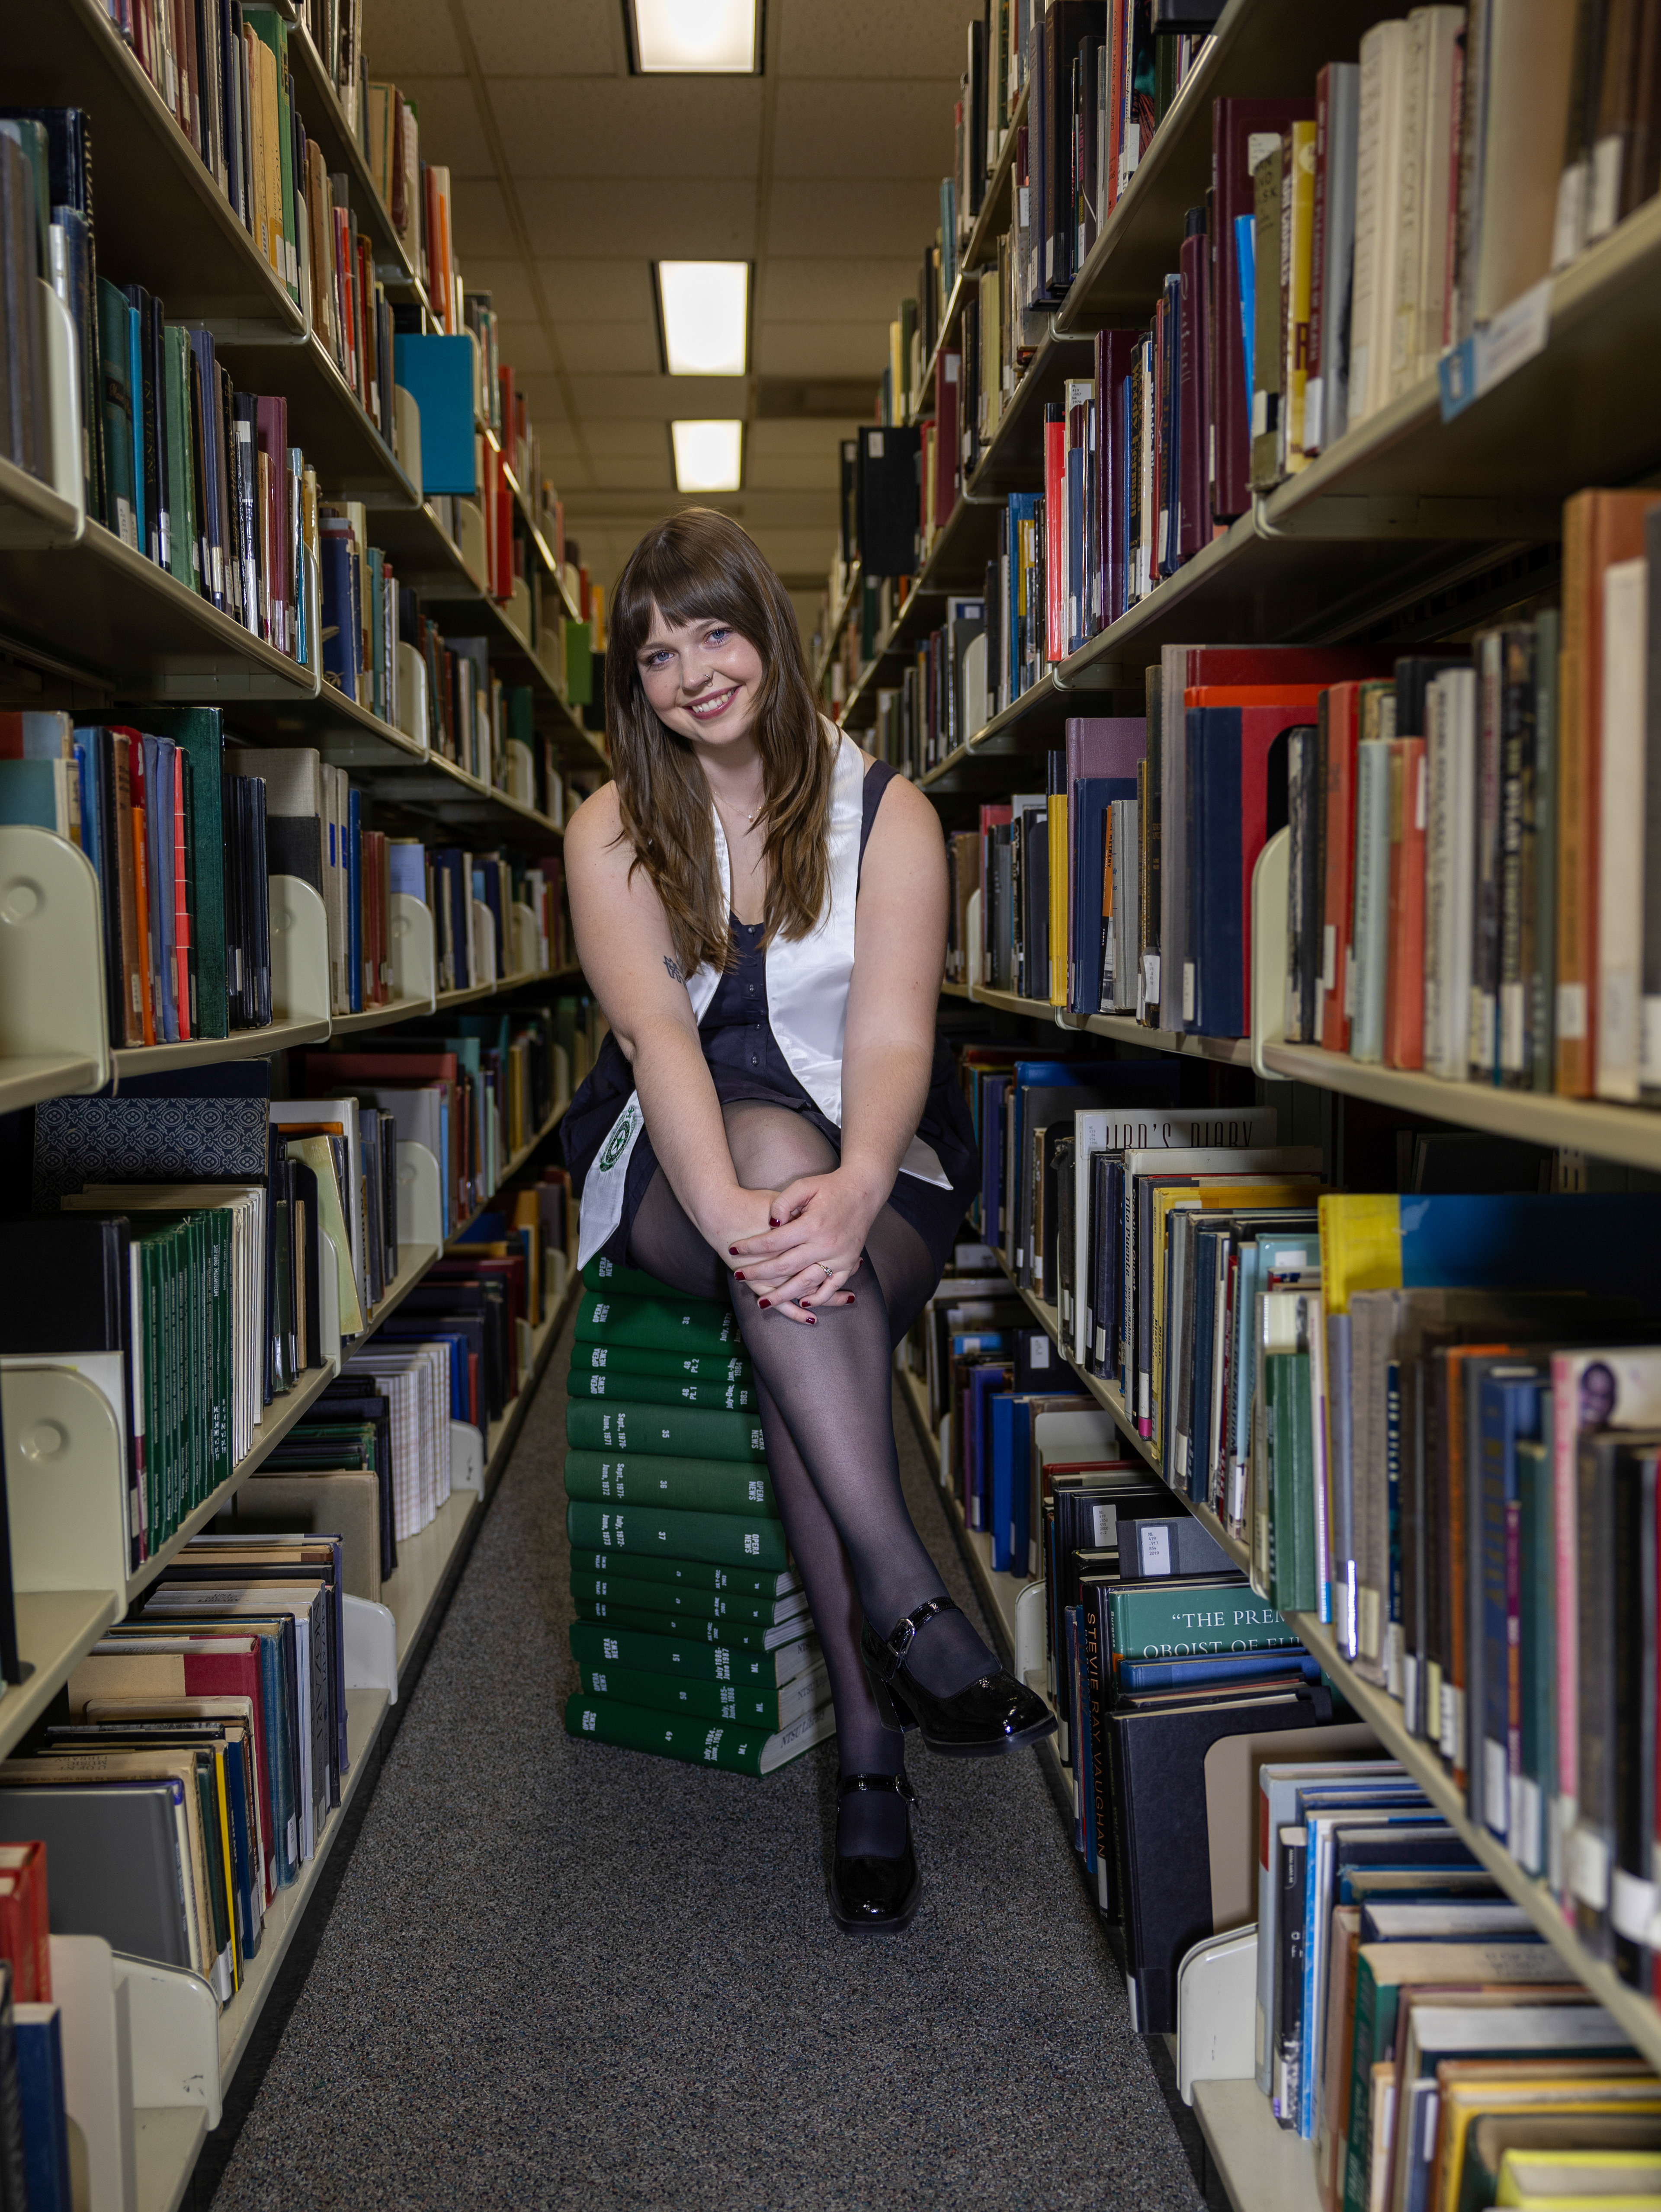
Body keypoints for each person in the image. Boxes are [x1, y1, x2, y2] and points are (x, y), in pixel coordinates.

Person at [561, 508, 1053, 1935]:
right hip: (678, 1166)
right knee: (775, 1206)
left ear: (766, 629)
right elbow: (657, 1038)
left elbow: (895, 1032)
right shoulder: (611, 830)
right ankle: (898, 1661)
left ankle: (880, 1725)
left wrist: (851, 1190)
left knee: (801, 1310)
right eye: (657, 655)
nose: (694, 672)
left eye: (715, 631)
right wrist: (737, 1212)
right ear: (636, 687)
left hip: (876, 1149)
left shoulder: (888, 811)